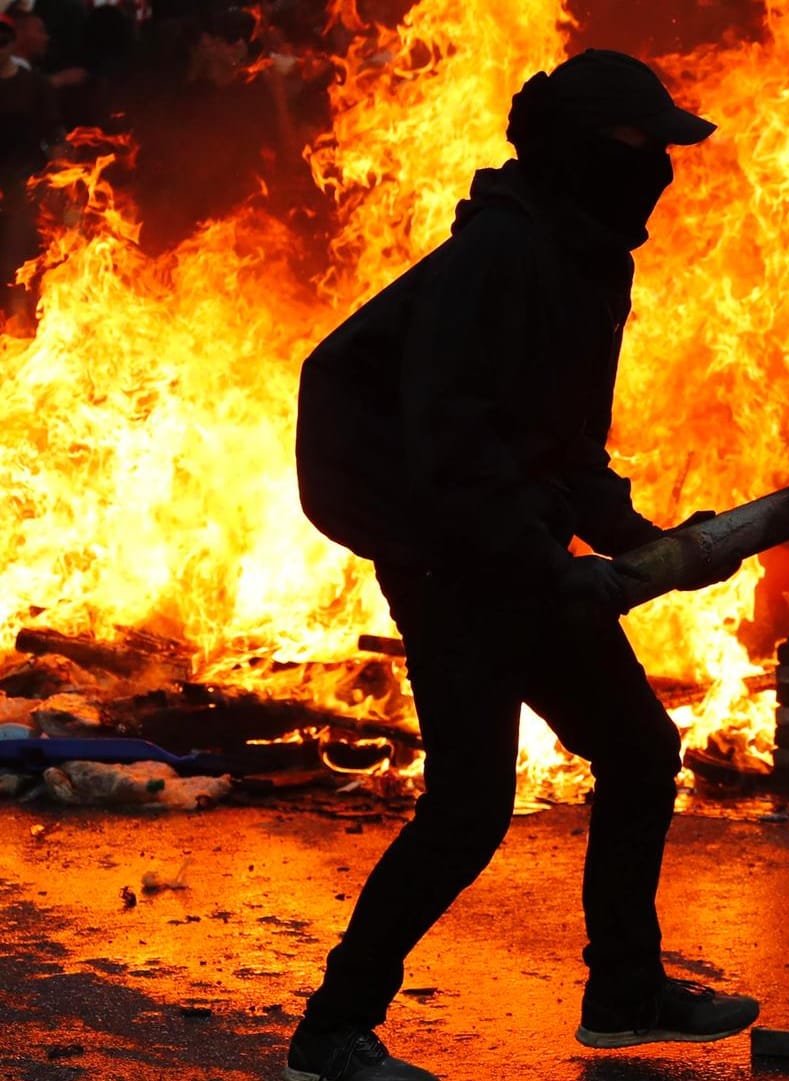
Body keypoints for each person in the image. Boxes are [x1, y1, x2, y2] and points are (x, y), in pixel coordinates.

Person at [290, 50, 755, 1081]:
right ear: (582, 149)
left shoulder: (593, 258)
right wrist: (549, 568)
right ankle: (331, 1032)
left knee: (638, 752)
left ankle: (626, 994)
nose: (658, 170)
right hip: (445, 554)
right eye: (641, 148)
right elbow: (451, 443)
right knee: (468, 806)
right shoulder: (502, 253)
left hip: (515, 545)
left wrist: (649, 543)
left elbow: (565, 445)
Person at [0, 13, 62, 327]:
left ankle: (19, 329)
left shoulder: (33, 85)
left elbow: (54, 136)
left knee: (18, 264)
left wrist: (62, 185)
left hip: (25, 189)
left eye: (3, 40)